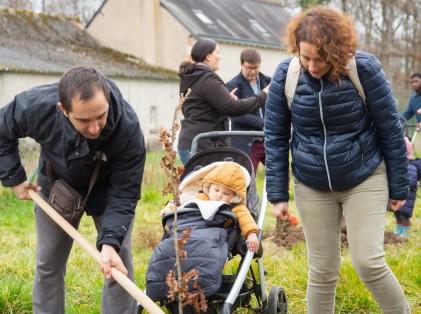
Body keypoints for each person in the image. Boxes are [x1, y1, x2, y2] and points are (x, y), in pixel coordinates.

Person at [264, 6, 410, 314]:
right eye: (305, 57)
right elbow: (275, 136)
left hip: (364, 176)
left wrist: (400, 187)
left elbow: (391, 129)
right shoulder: (286, 74)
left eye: (320, 58)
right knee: (322, 270)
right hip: (311, 182)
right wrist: (277, 194)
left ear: (337, 51)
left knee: (369, 262)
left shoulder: (363, 69)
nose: (312, 66)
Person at [0, 66, 146, 313]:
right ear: (63, 109)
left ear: (108, 100)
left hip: (109, 190)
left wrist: (110, 242)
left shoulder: (128, 130)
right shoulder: (36, 107)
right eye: (83, 120)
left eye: (100, 116)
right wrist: (14, 178)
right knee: (49, 262)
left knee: (118, 264)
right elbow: (2, 131)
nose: (94, 128)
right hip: (58, 183)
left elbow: (124, 193)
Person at [177, 38, 268, 165]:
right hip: (203, 146)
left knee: (201, 185)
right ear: (208, 56)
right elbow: (233, 108)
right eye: (217, 52)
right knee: (209, 185)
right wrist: (264, 94)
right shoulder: (206, 78)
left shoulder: (192, 76)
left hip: (192, 143)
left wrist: (224, 100)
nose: (219, 57)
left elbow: (200, 108)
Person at [160, 161, 259, 252]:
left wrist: (251, 234)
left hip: (214, 236)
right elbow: (185, 206)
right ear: (209, 187)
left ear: (234, 196)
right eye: (216, 190)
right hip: (192, 229)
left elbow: (246, 220)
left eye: (226, 194)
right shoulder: (201, 198)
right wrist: (170, 210)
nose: (219, 195)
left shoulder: (235, 207)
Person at [226, 48, 271, 173]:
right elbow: (236, 115)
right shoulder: (232, 86)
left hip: (269, 140)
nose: (253, 71)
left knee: (280, 176)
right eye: (249, 67)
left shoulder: (270, 82)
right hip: (247, 141)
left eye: (256, 67)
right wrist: (265, 123)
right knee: (246, 180)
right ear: (241, 64)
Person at [393, 137, 421, 237]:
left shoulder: (410, 166)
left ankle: (404, 232)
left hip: (407, 198)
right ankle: (398, 230)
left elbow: (411, 182)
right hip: (398, 196)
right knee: (397, 215)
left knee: (404, 216)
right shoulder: (399, 166)